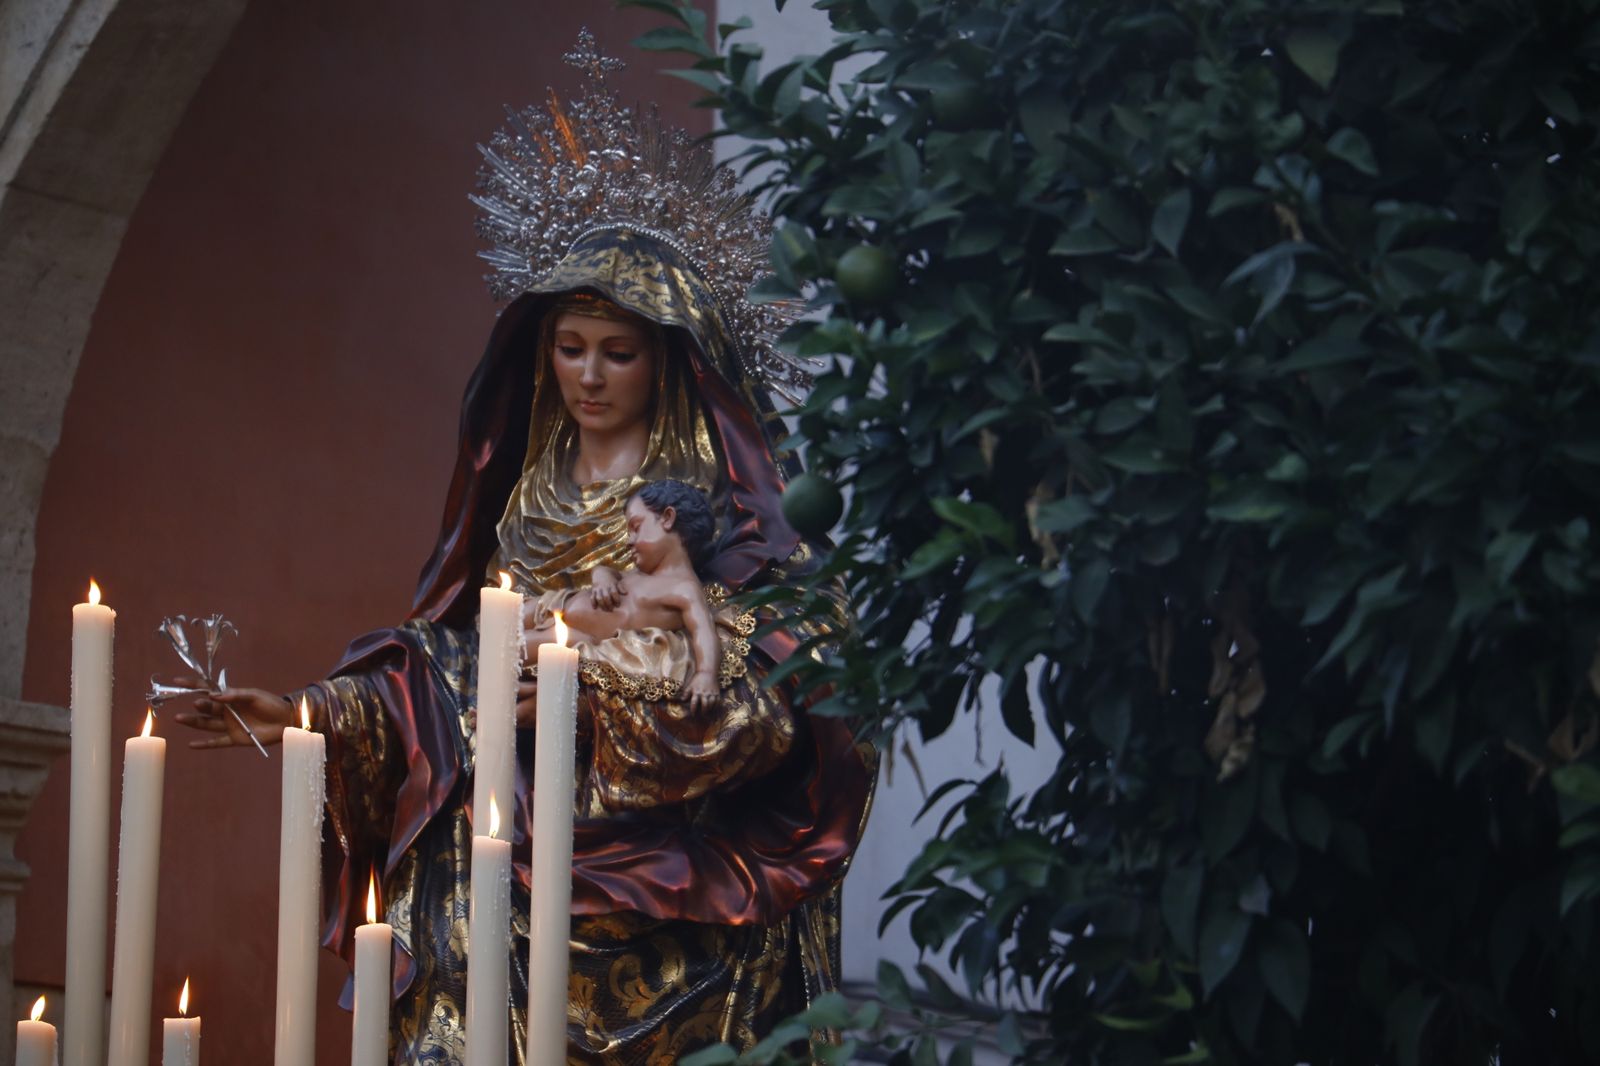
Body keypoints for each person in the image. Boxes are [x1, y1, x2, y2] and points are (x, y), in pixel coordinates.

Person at [173, 32, 876, 1066]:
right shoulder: (525, 501)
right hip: (498, 848)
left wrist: (603, 694)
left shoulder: (719, 516)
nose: (589, 375)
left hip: (655, 884)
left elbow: (788, 695)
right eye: (569, 346)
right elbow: (452, 667)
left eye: (618, 353)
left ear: (667, 363)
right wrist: (318, 713)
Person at [525, 480, 726, 712]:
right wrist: (602, 578)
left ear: (668, 518)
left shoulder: (684, 588)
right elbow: (606, 570)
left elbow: (703, 629)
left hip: (574, 639)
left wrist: (706, 674)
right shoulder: (640, 574)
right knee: (504, 621)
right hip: (555, 603)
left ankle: (493, 711)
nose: (629, 541)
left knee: (510, 649)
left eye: (636, 527)